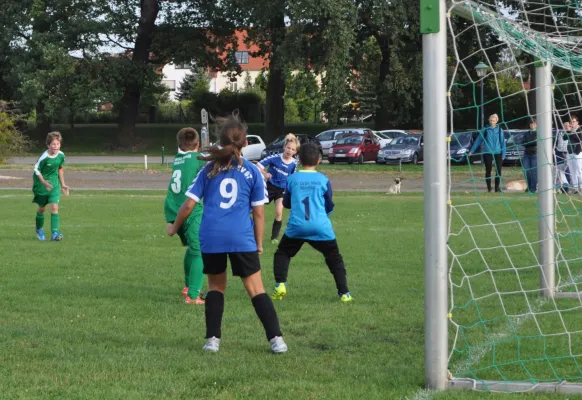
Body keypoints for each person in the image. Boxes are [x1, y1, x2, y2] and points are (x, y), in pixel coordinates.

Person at [166, 116, 288, 354]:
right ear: (244, 143)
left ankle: (212, 341)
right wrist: (259, 243)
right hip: (241, 237)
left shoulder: (208, 169)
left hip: (211, 237)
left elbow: (189, 205)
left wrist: (173, 227)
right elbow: (260, 213)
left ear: (220, 141)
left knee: (215, 288)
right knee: (256, 289)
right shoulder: (253, 171)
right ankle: (277, 341)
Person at [271, 142, 352, 303]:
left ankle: (280, 284)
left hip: (297, 227)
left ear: (299, 160)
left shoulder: (292, 179)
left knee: (283, 253)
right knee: (334, 258)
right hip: (320, 226)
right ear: (318, 161)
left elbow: (286, 203)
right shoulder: (323, 179)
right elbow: (329, 204)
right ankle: (344, 293)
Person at [164, 127, 206, 305]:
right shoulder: (197, 159)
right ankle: (194, 296)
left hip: (172, 210)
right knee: (200, 251)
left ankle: (188, 287)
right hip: (190, 210)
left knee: (191, 248)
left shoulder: (177, 159)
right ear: (198, 144)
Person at [257, 134, 300, 244]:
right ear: (284, 147)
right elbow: (258, 165)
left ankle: (274, 238)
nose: (290, 151)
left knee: (279, 212)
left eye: (293, 149)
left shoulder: (294, 164)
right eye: (288, 148)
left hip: (281, 190)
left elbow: (292, 177)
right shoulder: (274, 158)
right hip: (269, 187)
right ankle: (252, 231)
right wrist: (265, 174)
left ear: (295, 152)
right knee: (257, 210)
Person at [32, 131, 69, 241]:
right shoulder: (44, 157)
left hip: (54, 185)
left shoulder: (61, 155)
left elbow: (60, 168)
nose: (56, 146)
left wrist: (63, 185)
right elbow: (36, 170)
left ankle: (55, 234)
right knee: (42, 209)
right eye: (53, 144)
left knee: (54, 207)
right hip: (42, 184)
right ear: (48, 145)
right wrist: (44, 182)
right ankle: (39, 229)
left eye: (58, 144)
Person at [468, 113, 506, 192]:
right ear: (489, 121)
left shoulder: (500, 130)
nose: (492, 122)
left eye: (494, 120)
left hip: (498, 152)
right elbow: (478, 141)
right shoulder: (485, 130)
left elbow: (503, 143)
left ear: (496, 121)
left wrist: (503, 154)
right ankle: (489, 188)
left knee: (498, 170)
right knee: (488, 169)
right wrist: (472, 151)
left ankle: (497, 188)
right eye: (491, 120)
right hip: (487, 152)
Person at [565, 116, 582, 194]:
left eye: (574, 121)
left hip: (577, 152)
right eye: (571, 122)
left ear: (577, 122)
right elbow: (564, 137)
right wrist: (568, 131)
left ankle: (581, 187)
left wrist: (571, 132)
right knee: (573, 171)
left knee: (579, 170)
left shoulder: (580, 130)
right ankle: (575, 188)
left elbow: (579, 139)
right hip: (570, 152)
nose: (572, 123)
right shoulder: (570, 130)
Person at [521, 119, 538, 193]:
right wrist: (530, 143)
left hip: (535, 153)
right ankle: (529, 186)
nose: (532, 125)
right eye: (531, 124)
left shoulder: (538, 133)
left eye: (533, 124)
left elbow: (536, 143)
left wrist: (530, 143)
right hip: (526, 154)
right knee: (526, 170)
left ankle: (533, 188)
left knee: (534, 171)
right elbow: (523, 143)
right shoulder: (526, 133)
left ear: (536, 125)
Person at [555, 121, 570, 193]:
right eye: (565, 126)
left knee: (567, 171)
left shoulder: (571, 134)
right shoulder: (559, 133)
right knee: (558, 171)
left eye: (567, 126)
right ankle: (559, 187)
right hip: (558, 153)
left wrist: (566, 154)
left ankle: (566, 188)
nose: (566, 127)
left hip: (567, 153)